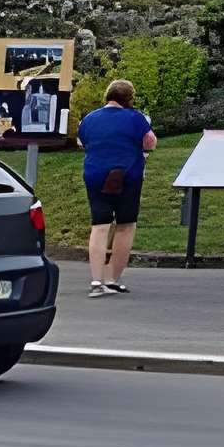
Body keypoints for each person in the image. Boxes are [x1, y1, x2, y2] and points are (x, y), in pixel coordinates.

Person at [79, 78, 159, 298]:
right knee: (125, 225)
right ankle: (112, 279)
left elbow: (82, 142)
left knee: (100, 225)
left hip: (95, 175)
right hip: (128, 175)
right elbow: (150, 142)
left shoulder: (89, 119)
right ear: (129, 98)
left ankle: (96, 281)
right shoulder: (136, 118)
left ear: (107, 95)